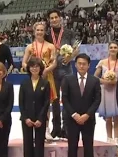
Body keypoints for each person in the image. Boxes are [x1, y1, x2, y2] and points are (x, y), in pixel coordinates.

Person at [62, 53, 101, 157]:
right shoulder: (68, 79)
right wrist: (74, 114)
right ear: (75, 65)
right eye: (79, 63)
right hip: (72, 119)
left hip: (88, 120)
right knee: (72, 146)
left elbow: (97, 100)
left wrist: (87, 115)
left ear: (89, 65)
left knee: (88, 147)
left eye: (84, 64)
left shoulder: (94, 81)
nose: (82, 66)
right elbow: (65, 99)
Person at [45, 8, 79, 140]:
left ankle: (66, 128)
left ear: (60, 18)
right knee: (53, 100)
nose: (54, 20)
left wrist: (71, 57)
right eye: (51, 18)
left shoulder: (69, 33)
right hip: (52, 71)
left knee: (66, 99)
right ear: (49, 20)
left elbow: (76, 48)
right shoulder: (47, 35)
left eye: (56, 17)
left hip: (66, 69)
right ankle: (56, 128)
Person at [22, 22, 57, 141]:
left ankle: (46, 128)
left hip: (47, 76)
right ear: (34, 31)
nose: (40, 32)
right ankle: (32, 124)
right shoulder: (29, 47)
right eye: (37, 30)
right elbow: (24, 62)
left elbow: (55, 62)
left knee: (46, 104)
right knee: (32, 102)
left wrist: (46, 70)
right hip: (33, 77)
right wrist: (32, 70)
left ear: (45, 31)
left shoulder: (51, 46)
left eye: (42, 30)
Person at [19, 57, 51, 157]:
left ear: (40, 68)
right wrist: (25, 118)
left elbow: (46, 103)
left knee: (39, 147)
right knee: (27, 146)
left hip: (39, 120)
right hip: (26, 120)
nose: (34, 68)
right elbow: (21, 102)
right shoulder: (24, 83)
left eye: (37, 66)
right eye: (32, 66)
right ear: (29, 68)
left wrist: (40, 119)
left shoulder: (45, 83)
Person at [94, 42, 118, 151]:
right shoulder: (102, 62)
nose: (113, 49)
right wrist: (104, 81)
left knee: (117, 117)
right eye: (111, 47)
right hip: (106, 90)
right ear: (108, 49)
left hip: (117, 91)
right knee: (108, 117)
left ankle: (116, 140)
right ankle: (109, 139)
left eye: (115, 47)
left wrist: (115, 81)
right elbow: (95, 77)